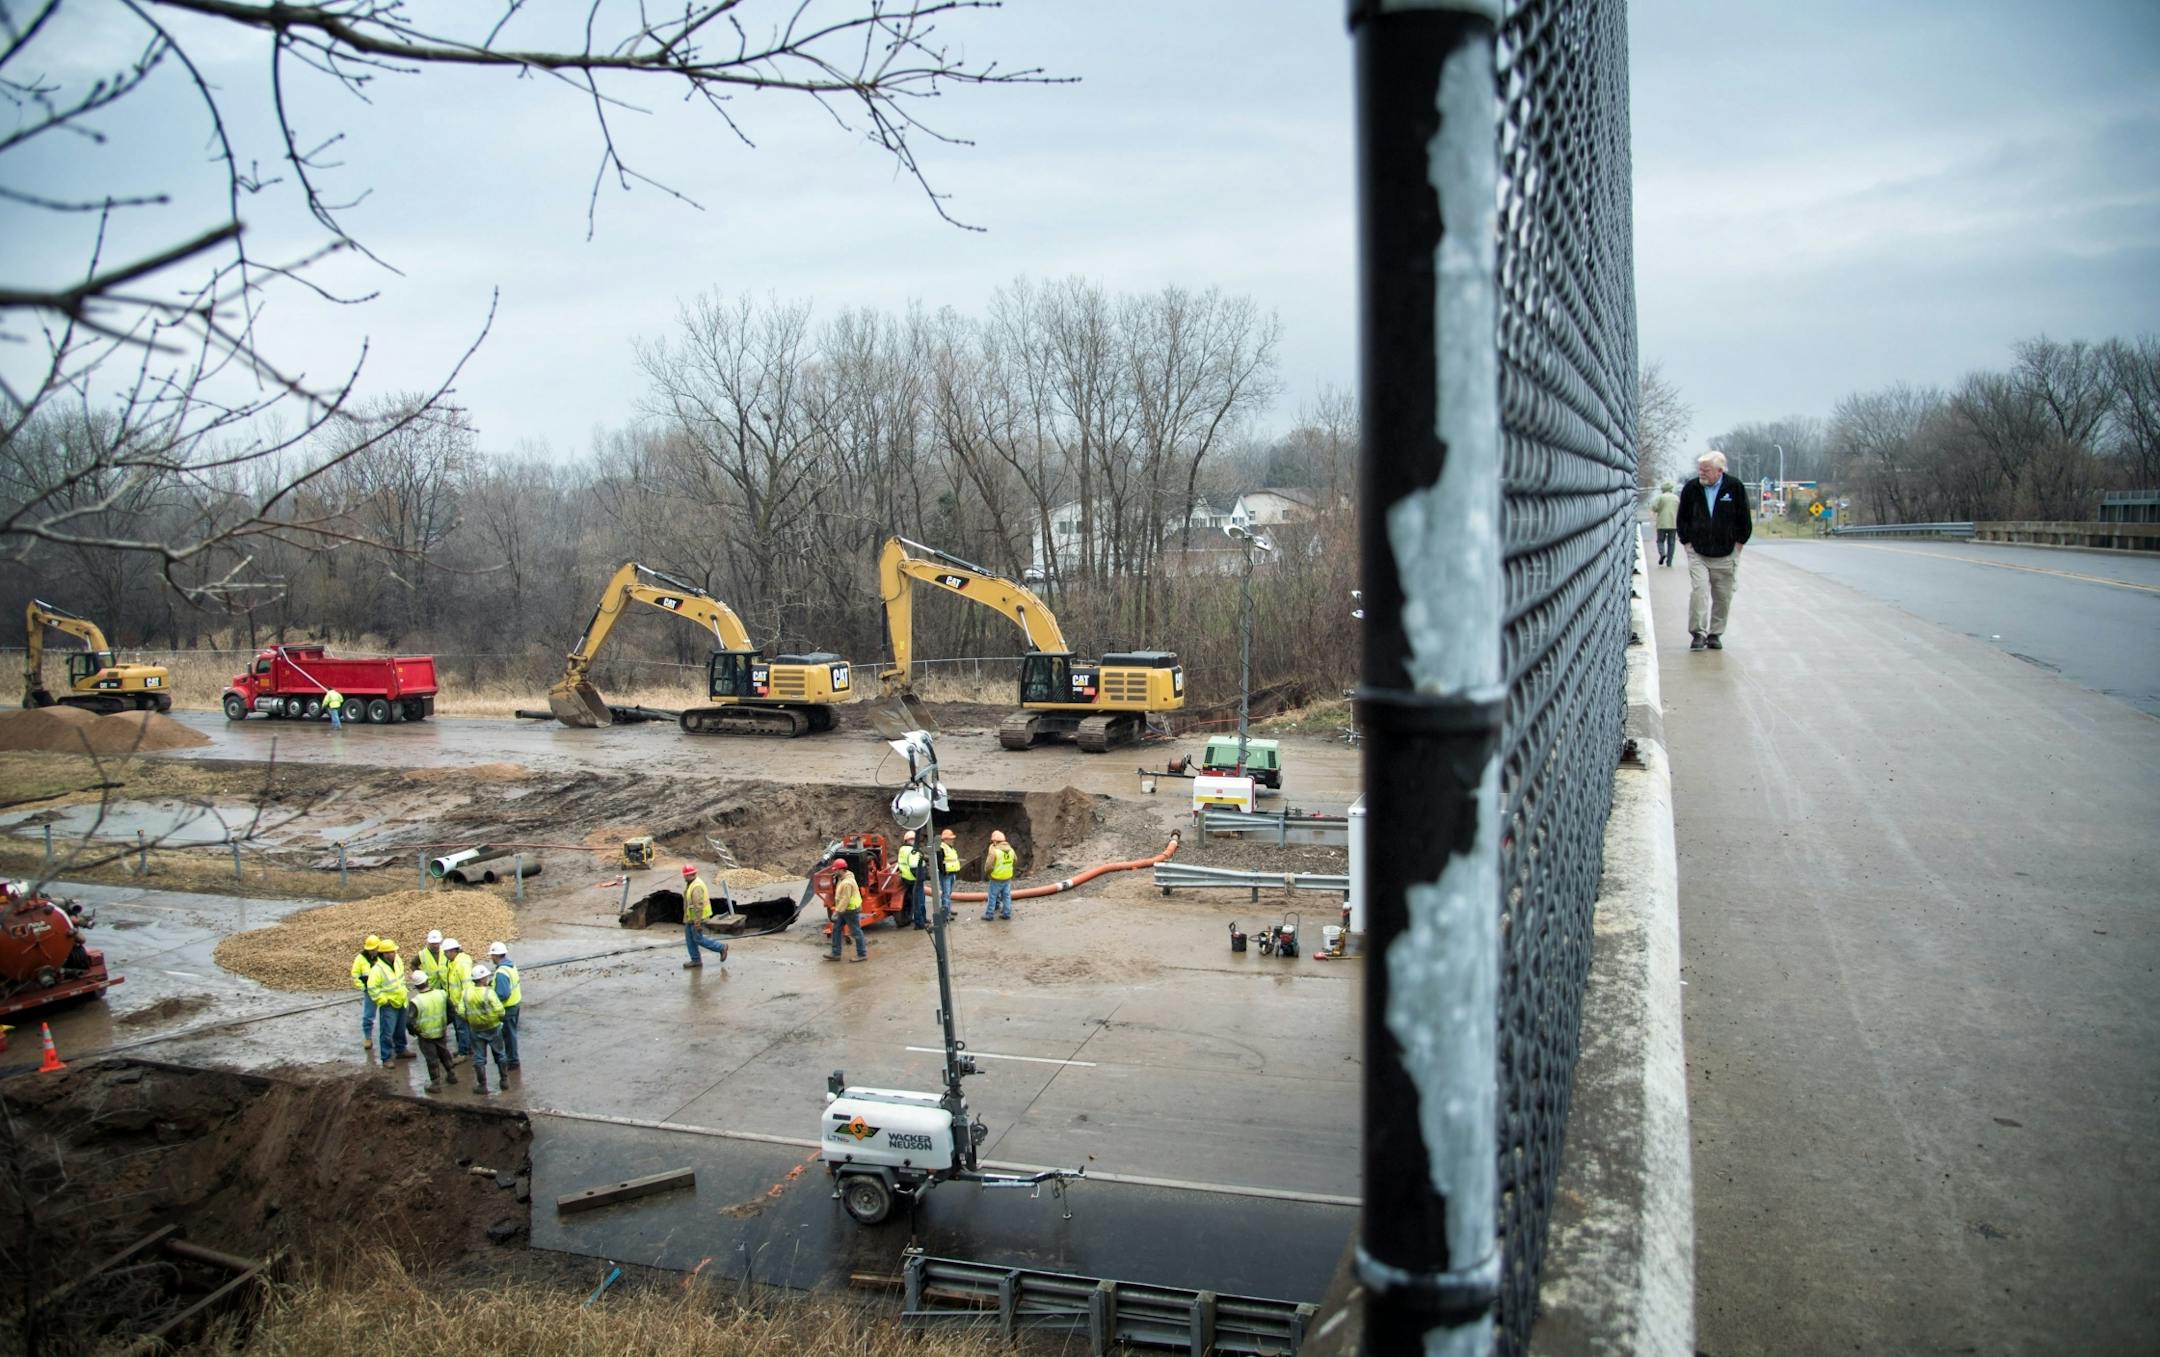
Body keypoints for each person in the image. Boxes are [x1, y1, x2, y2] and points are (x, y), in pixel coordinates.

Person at [1675, 449, 1753, 651]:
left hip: (1726, 553)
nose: (1702, 473)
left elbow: (1744, 518)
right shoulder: (1692, 488)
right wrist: (1686, 542)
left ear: (1719, 471)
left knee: (1722, 596)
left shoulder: (1734, 487)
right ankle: (1698, 633)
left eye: (1706, 470)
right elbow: (1682, 517)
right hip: (1698, 552)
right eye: (1700, 469)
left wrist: (1738, 545)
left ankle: (1715, 634)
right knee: (1699, 591)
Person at [462, 962, 510, 1095]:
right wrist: (498, 1018)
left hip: (476, 1029)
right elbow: (500, 1010)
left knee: (479, 1058)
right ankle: (504, 1080)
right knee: (500, 1053)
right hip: (493, 1027)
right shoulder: (489, 993)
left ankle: (482, 1085)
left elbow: (461, 1010)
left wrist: (470, 1020)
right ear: (482, 979)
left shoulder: (466, 993)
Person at [366, 939, 414, 1066]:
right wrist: (383, 1000)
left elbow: (401, 978)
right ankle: (386, 1057)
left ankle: (401, 1050)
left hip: (401, 1000)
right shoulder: (377, 969)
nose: (393, 954)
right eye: (390, 952)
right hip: (389, 1005)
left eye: (393, 951)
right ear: (384, 954)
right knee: (387, 1032)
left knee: (400, 1028)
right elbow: (372, 988)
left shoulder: (398, 961)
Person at [408, 970, 457, 1090]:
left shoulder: (416, 1001)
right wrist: (445, 1023)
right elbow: (452, 1012)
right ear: (427, 981)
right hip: (440, 1031)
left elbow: (409, 1022)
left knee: (432, 1058)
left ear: (415, 986)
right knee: (444, 1052)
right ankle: (451, 1075)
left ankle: (435, 1083)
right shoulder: (441, 994)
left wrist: (416, 1032)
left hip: (426, 1035)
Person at [679, 864, 731, 969]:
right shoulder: (692, 883)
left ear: (689, 875)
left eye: (685, 875)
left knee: (698, 939)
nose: (684, 877)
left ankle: (721, 947)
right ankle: (695, 960)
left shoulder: (696, 886)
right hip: (691, 918)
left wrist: (697, 922)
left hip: (697, 918)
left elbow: (698, 906)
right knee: (690, 939)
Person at [487, 941, 522, 1070]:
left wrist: (491, 996)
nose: (491, 958)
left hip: (507, 1008)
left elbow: (503, 994)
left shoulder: (501, 972)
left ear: (496, 956)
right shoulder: (511, 966)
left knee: (508, 1035)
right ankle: (512, 1059)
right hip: (515, 1004)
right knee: (511, 1033)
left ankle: (512, 1061)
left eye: (492, 955)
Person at [441, 938, 474, 1060]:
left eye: (446, 952)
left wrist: (461, 1004)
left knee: (462, 1028)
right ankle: (466, 1048)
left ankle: (463, 1052)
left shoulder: (461, 964)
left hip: (461, 1003)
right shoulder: (454, 962)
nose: (444, 955)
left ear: (453, 951)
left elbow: (466, 986)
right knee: (463, 1028)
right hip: (457, 1002)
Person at [826, 864, 867, 961]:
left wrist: (837, 911)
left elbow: (846, 899)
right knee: (836, 929)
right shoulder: (843, 877)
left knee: (856, 931)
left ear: (841, 870)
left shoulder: (847, 883)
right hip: (844, 909)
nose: (834, 872)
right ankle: (836, 953)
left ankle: (862, 954)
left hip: (850, 910)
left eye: (835, 870)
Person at [351, 934, 381, 1052]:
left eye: (374, 949)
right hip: (370, 991)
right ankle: (368, 1038)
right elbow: (355, 974)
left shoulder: (382, 956)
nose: (373, 951)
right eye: (371, 949)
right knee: (368, 1016)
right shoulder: (360, 958)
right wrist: (363, 987)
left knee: (388, 1015)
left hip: (382, 989)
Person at [896, 830, 926, 930]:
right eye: (912, 839)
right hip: (915, 880)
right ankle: (920, 923)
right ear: (908, 840)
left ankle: (922, 919)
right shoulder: (912, 851)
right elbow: (914, 867)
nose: (914, 841)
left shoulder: (902, 849)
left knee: (916, 900)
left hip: (907, 878)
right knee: (919, 901)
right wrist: (920, 877)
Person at [982, 830, 1016, 921]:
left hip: (996, 878)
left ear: (995, 841)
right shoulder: (1011, 850)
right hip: (1007, 878)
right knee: (1006, 896)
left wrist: (988, 873)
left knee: (992, 896)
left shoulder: (994, 851)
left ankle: (989, 914)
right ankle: (1007, 913)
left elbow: (988, 866)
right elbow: (1015, 861)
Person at [1650, 480, 1681, 567]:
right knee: (1671, 542)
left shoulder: (1660, 497)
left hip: (1662, 523)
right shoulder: (1676, 498)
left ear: (1663, 489)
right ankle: (1669, 562)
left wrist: (1659, 509)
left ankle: (1662, 553)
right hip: (1673, 523)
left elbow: (1654, 507)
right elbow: (1680, 509)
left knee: (1660, 540)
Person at [937, 829, 961, 920]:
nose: (952, 840)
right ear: (945, 839)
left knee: (948, 894)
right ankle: (945, 914)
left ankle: (948, 910)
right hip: (946, 875)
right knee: (946, 894)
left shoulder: (950, 848)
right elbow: (939, 863)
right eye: (951, 838)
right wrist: (944, 872)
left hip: (951, 874)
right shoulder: (941, 848)